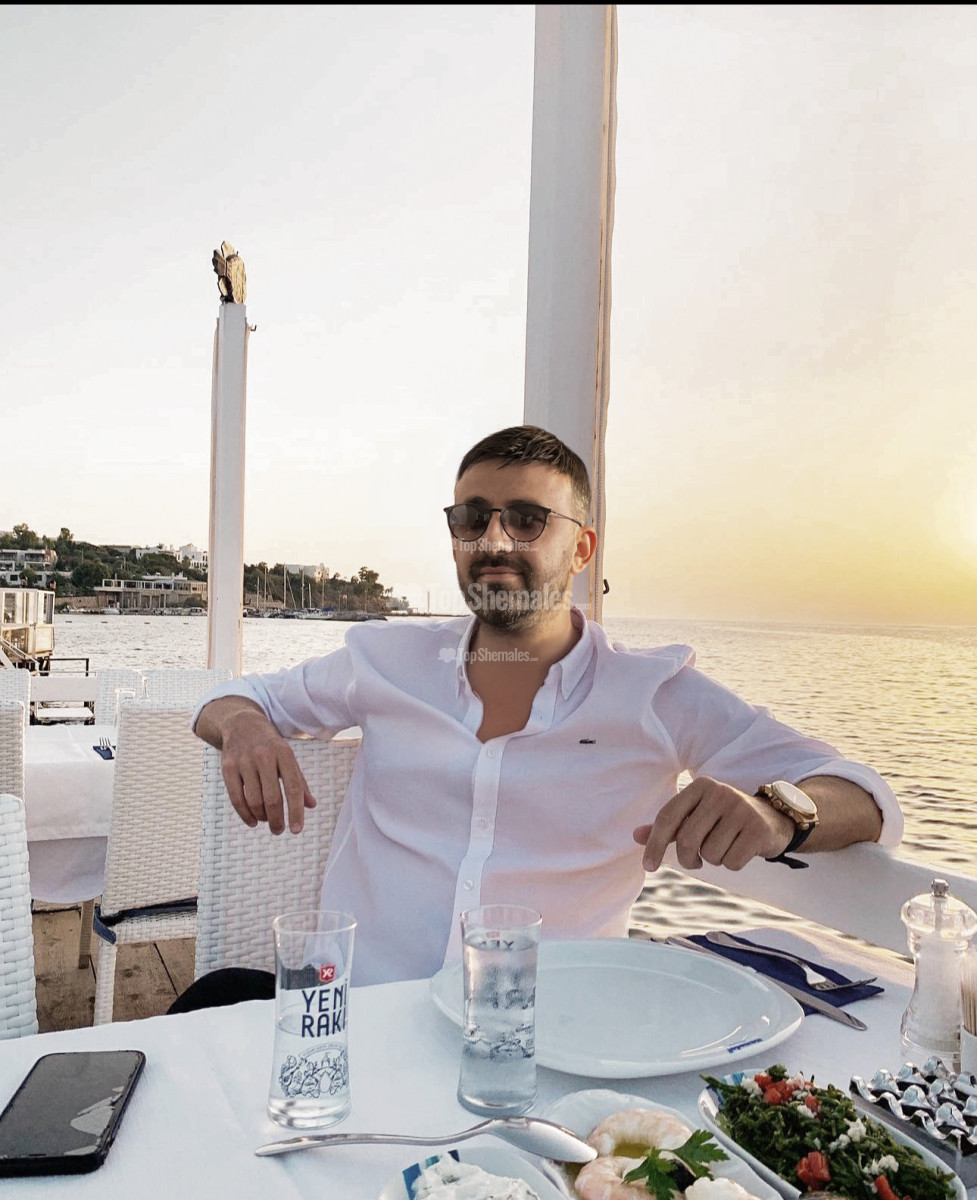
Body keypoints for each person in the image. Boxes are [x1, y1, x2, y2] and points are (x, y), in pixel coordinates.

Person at [188, 425, 901, 992]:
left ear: (581, 547)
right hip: (355, 1013)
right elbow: (230, 699)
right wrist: (246, 725)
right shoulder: (383, 660)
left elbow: (865, 798)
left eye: (528, 520)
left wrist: (776, 815)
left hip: (551, 1035)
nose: (494, 541)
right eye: (472, 519)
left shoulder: (655, 694)